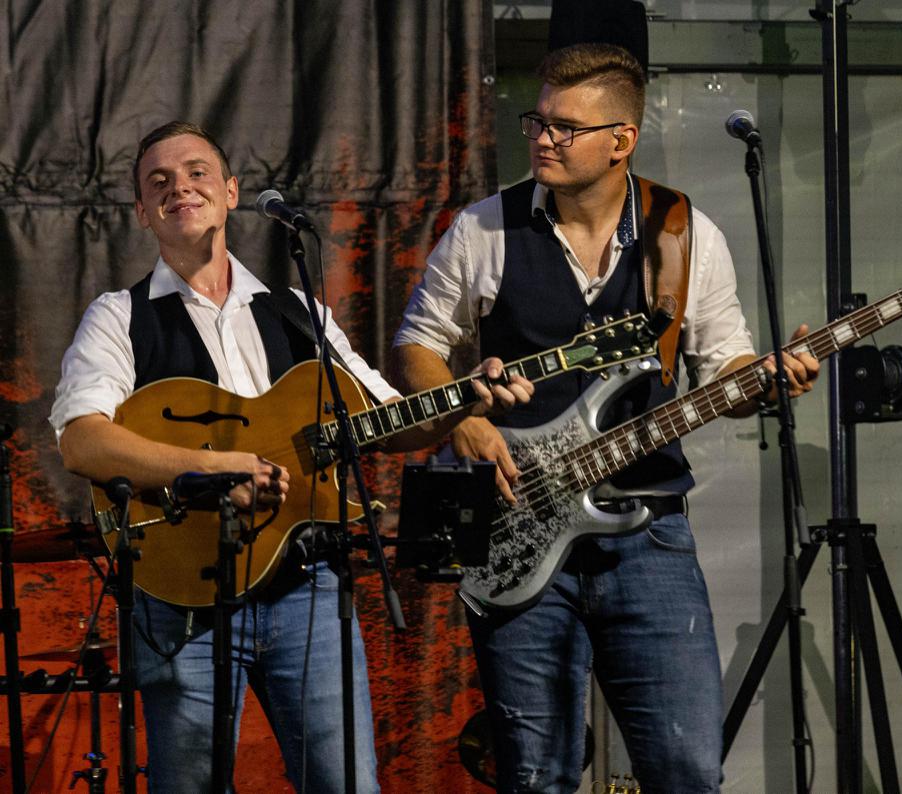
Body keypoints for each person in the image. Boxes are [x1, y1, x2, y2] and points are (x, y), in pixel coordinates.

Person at [48, 121, 532, 792]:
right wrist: (216, 467)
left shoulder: (300, 312)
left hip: (308, 590)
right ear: (141, 211)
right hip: (185, 599)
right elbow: (81, 440)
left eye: (196, 172)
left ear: (231, 191)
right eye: (158, 181)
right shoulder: (119, 316)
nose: (179, 187)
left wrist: (466, 399)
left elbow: (389, 419)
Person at [391, 44, 819, 792]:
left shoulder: (684, 233)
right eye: (538, 122)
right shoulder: (482, 229)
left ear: (622, 140)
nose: (543, 139)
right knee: (536, 776)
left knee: (687, 771)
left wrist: (769, 380)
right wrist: (462, 415)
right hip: (517, 526)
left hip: (648, 534)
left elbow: (724, 366)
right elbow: (418, 346)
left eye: (566, 128)